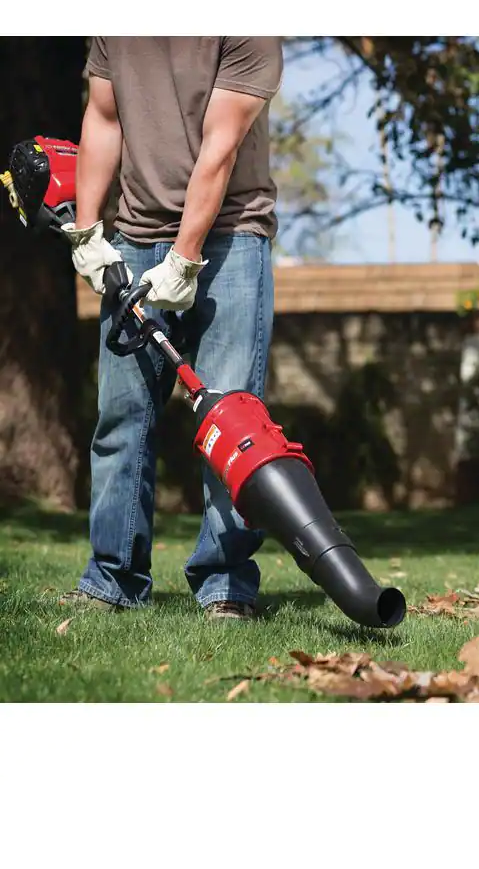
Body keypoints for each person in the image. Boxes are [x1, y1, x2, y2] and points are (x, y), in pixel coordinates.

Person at [59, 37, 284, 620]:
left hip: (231, 237)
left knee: (233, 423)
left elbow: (221, 143)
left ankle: (226, 585)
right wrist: (88, 232)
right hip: (134, 236)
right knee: (122, 418)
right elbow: (103, 117)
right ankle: (112, 579)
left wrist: (184, 259)